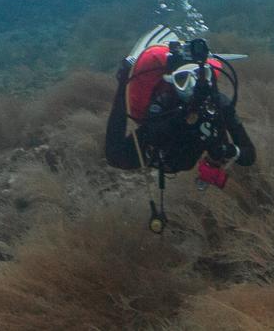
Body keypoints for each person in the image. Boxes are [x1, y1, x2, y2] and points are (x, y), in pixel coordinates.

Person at [105, 34, 255, 231]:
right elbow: (153, 133)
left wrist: (229, 151)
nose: (192, 87)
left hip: (189, 156)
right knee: (115, 156)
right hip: (162, 154)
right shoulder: (164, 102)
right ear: (172, 81)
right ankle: (122, 82)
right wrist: (185, 113)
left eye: (201, 77)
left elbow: (249, 154)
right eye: (183, 79)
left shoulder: (220, 104)